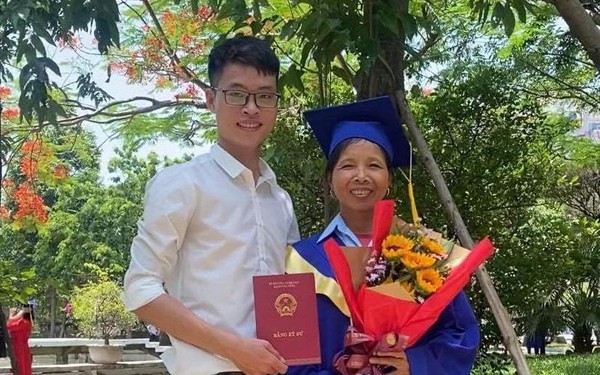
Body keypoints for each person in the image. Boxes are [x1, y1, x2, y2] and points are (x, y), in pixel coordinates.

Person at [123, 35, 300, 375]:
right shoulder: (182, 185)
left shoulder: (280, 200)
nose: (251, 108)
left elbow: (296, 289)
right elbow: (140, 290)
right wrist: (233, 349)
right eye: (236, 94)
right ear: (210, 99)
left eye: (264, 96)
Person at [286, 96, 479, 375]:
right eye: (347, 165)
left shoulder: (424, 253)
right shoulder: (298, 259)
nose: (361, 176)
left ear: (389, 179)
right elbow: (289, 355)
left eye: (374, 166)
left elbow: (461, 334)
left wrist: (414, 364)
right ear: (330, 180)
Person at [6, 304, 34, 375]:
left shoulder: (23, 322)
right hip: (22, 348)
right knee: (23, 369)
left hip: (19, 349)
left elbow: (8, 326)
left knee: (21, 369)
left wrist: (11, 315)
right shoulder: (27, 321)